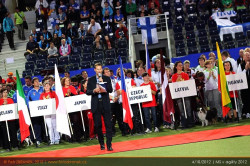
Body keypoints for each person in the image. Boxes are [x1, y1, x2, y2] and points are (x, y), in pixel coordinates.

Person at [86, 63, 113, 151]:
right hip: (96, 105)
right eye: (97, 69)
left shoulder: (107, 78)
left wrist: (102, 84)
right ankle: (101, 143)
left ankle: (109, 144)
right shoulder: (91, 80)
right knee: (98, 126)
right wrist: (94, 90)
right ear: (95, 70)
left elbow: (110, 89)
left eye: (100, 69)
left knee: (108, 125)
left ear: (102, 70)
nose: (99, 70)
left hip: (105, 104)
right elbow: (88, 92)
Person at [172, 61, 194, 129]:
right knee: (181, 110)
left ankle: (190, 123)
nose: (181, 67)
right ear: (176, 67)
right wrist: (177, 80)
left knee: (188, 108)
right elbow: (173, 86)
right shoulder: (174, 76)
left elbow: (187, 84)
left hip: (186, 94)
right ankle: (184, 123)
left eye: (181, 65)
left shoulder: (185, 75)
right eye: (179, 65)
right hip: (178, 95)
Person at [26, 77, 44, 145]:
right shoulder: (31, 92)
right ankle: (38, 139)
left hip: (44, 109)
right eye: (36, 81)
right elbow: (27, 101)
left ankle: (45, 138)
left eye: (38, 81)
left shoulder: (42, 89)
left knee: (44, 124)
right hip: (35, 111)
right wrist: (30, 108)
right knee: (37, 125)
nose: (37, 82)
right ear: (33, 83)